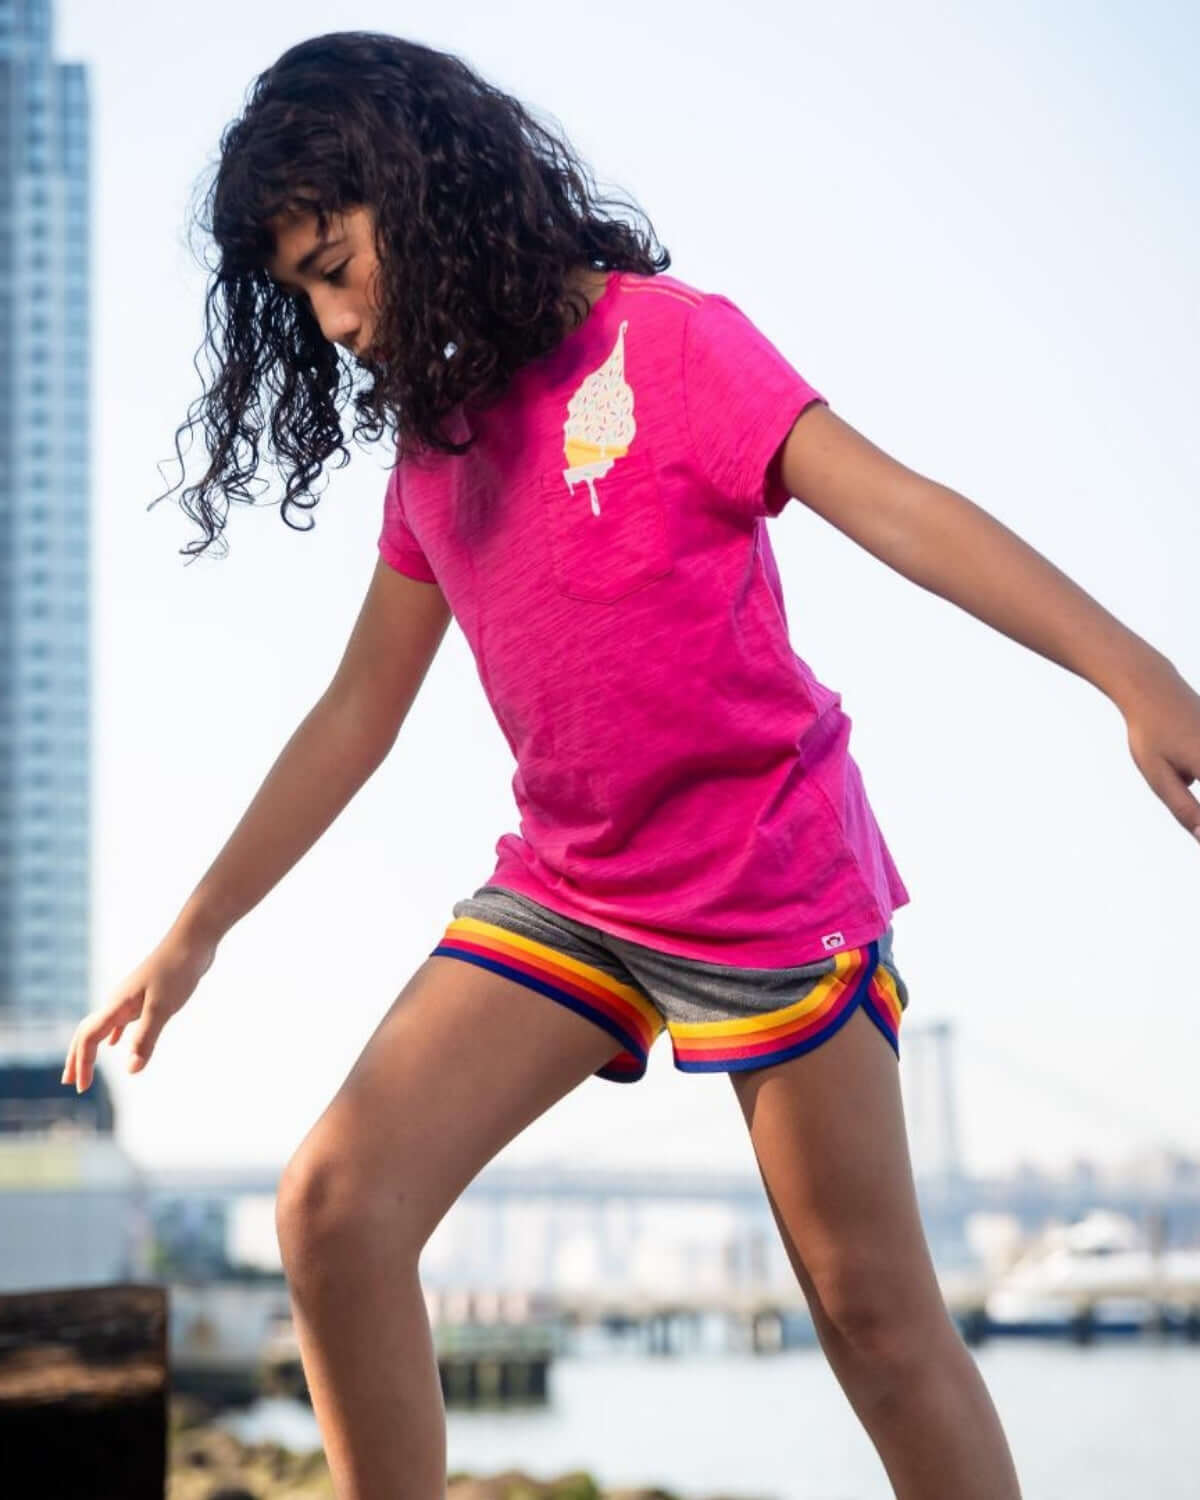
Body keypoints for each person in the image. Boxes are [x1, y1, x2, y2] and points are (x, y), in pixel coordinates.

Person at [61, 30, 1200, 1500]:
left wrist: (1135, 672)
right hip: (571, 889)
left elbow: (903, 508)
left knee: (874, 1317)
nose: (332, 318)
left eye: (336, 262)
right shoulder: (435, 446)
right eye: (300, 292)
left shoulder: (667, 343)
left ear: (424, 191)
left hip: (768, 882)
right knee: (332, 1207)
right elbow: (357, 709)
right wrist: (197, 928)